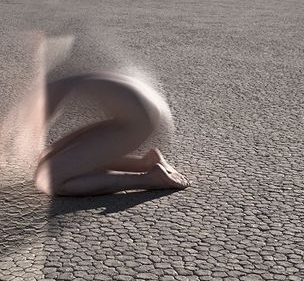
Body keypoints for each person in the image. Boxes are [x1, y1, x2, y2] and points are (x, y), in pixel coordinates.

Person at [33, 68, 188, 197]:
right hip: (141, 109)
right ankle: (146, 163)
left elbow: (29, 139)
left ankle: (151, 179)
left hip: (136, 123)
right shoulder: (58, 85)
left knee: (52, 180)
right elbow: (80, 134)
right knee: (54, 162)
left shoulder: (42, 97)